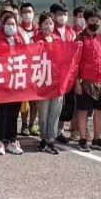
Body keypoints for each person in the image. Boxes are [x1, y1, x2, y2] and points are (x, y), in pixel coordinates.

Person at [74, 9, 101, 153]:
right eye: (91, 21)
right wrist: (76, 82)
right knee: (83, 110)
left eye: (97, 21)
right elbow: (74, 62)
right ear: (86, 21)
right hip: (85, 81)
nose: (94, 23)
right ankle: (83, 138)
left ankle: (97, 138)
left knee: (100, 110)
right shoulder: (79, 39)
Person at [0, 11, 25, 156]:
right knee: (2, 112)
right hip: (2, 81)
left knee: (14, 113)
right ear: (3, 25)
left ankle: (13, 140)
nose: (11, 27)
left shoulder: (19, 39)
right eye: (8, 24)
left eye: (13, 24)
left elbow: (26, 55)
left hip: (16, 80)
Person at [33, 13, 61, 155]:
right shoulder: (35, 40)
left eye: (50, 24)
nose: (48, 27)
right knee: (43, 112)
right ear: (40, 25)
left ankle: (51, 139)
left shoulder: (58, 40)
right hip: (42, 81)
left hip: (57, 81)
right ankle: (43, 138)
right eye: (45, 24)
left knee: (55, 111)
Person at [51, 3, 77, 144]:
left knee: (66, 106)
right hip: (54, 75)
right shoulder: (50, 31)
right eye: (60, 14)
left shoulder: (71, 32)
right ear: (53, 15)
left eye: (65, 14)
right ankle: (50, 131)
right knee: (53, 105)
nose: (63, 16)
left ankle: (59, 131)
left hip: (68, 75)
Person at [19, 2, 38, 136]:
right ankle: (24, 124)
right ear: (21, 14)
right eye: (25, 12)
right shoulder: (18, 30)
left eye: (29, 11)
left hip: (36, 67)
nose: (27, 14)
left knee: (35, 99)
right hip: (23, 67)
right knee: (24, 98)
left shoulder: (38, 30)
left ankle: (32, 124)